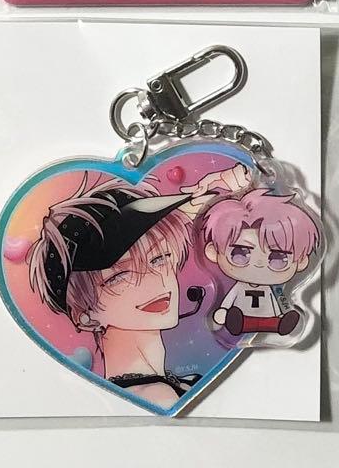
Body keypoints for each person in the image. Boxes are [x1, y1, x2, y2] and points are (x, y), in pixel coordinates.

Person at [27, 165, 248, 409]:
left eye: (160, 258)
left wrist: (228, 193)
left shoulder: (177, 386)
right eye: (119, 276)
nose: (154, 280)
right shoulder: (157, 395)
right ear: (84, 315)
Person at [199, 189, 321, 338]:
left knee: (274, 321)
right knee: (238, 319)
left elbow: (282, 301)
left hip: (269, 320)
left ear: (301, 261)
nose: (258, 264)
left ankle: (278, 325)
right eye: (240, 253)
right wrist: (223, 312)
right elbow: (228, 302)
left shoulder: (275, 290)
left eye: (278, 257)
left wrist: (286, 311)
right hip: (241, 318)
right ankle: (239, 323)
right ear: (213, 251)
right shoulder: (239, 288)